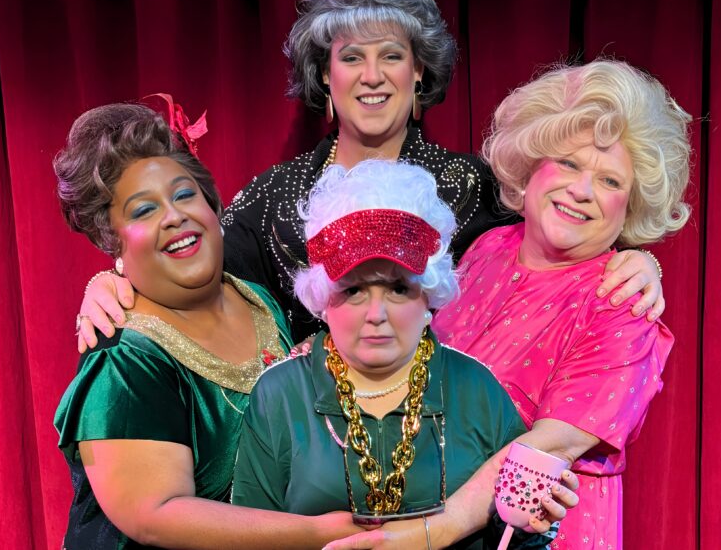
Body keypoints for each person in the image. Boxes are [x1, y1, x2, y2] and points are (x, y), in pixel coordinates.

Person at [75, 0, 664, 349]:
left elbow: (560, 247)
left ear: (419, 71)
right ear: (324, 75)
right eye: (352, 57)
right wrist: (114, 282)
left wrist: (635, 262)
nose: (372, 76)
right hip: (307, 455)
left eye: (392, 55)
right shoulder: (274, 198)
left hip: (447, 453)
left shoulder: (475, 186)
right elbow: (192, 275)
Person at [52, 102, 365, 548]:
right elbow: (155, 515)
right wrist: (317, 533)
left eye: (183, 195)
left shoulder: (257, 299)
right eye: (143, 211)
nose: (173, 215)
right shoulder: (125, 359)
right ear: (113, 241)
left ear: (213, 207)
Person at [231, 160, 578, 548]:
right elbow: (251, 536)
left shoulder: (475, 388)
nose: (376, 314)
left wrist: (530, 526)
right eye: (353, 290)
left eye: (398, 289)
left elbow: (516, 538)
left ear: (428, 296)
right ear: (325, 301)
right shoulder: (280, 395)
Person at [433, 60, 691, 549]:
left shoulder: (622, 304)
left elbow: (544, 451)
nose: (581, 190)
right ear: (532, 163)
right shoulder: (487, 247)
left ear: (630, 206)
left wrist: (423, 533)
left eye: (610, 181)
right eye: (569, 163)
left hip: (538, 537)